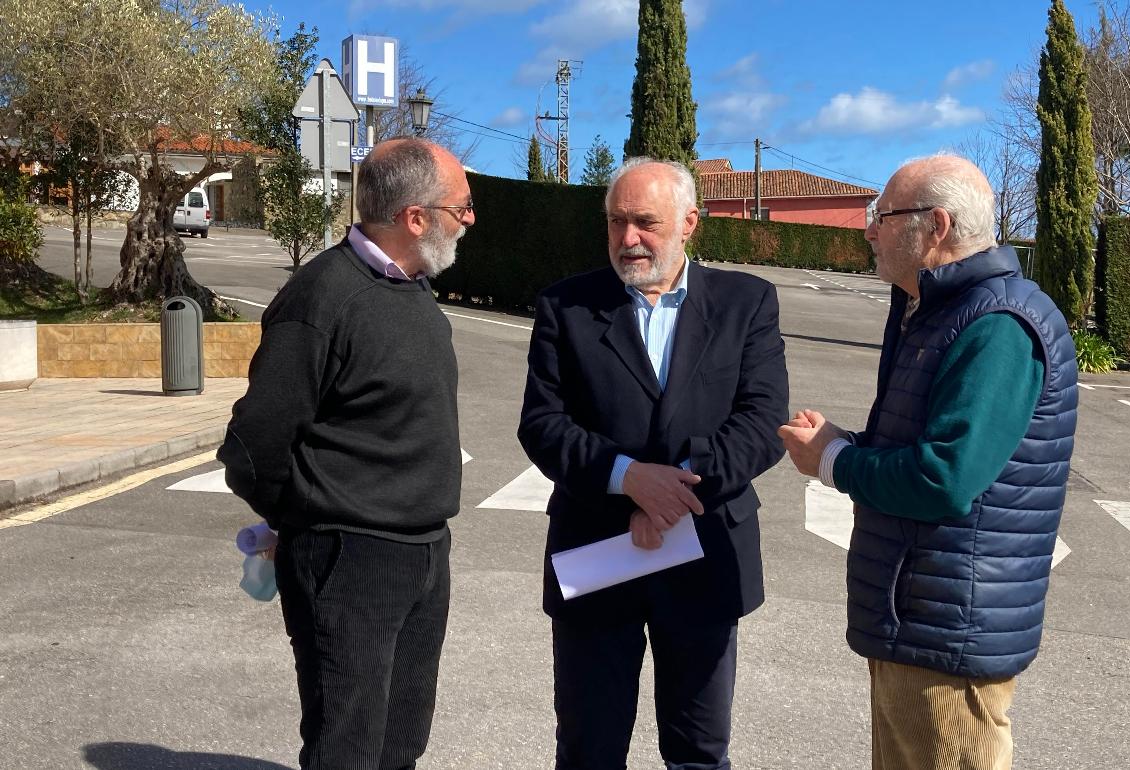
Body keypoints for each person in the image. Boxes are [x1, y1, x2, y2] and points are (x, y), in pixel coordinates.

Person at [778, 154, 1077, 770]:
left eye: (881, 216)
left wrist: (833, 459)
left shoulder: (996, 323)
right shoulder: (939, 311)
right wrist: (846, 444)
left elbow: (944, 477)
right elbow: (923, 449)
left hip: (946, 641)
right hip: (922, 623)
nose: (868, 230)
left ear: (936, 226)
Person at [517, 158, 789, 770]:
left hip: (705, 555)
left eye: (646, 223)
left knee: (698, 752)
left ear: (690, 223)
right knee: (589, 749)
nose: (628, 239)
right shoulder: (567, 306)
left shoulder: (747, 303)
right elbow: (542, 424)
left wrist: (670, 497)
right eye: (616, 222)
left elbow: (761, 421)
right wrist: (627, 479)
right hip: (598, 553)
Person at [217, 137, 475, 770]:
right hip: (347, 558)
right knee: (346, 749)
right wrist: (306, 517)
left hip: (422, 553)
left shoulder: (412, 290)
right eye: (461, 207)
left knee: (400, 743)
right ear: (416, 218)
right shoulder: (322, 297)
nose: (470, 220)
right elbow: (253, 447)